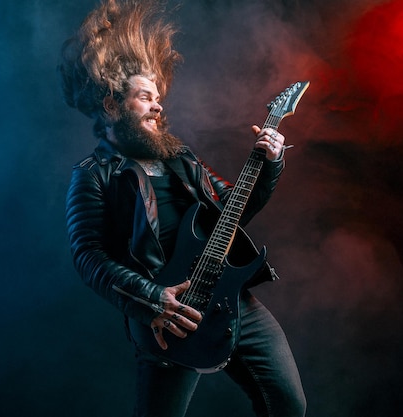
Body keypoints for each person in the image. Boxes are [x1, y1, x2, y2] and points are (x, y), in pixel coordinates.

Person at [58, 1, 306, 416]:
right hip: (170, 314)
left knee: (287, 404)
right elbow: (88, 256)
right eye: (144, 97)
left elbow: (232, 209)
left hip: (230, 297)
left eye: (158, 98)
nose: (158, 106)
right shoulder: (92, 174)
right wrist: (152, 298)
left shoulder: (181, 157)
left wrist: (270, 161)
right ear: (112, 106)